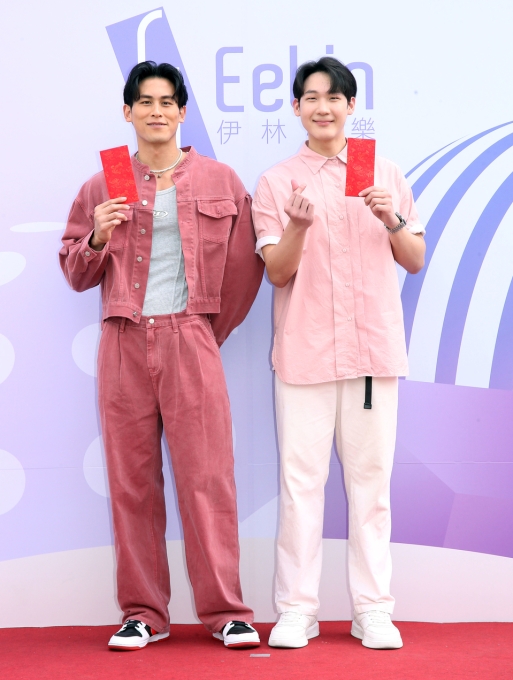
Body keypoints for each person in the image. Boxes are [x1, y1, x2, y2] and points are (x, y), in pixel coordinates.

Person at [60, 61, 263, 651]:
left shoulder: (222, 180)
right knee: (132, 483)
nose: (156, 111)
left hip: (190, 338)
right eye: (144, 102)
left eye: (167, 102)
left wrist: (201, 331)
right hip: (122, 339)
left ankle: (226, 612)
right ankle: (143, 613)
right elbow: (75, 272)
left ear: (182, 112)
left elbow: (244, 271)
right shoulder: (103, 182)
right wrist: (97, 237)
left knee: (208, 479)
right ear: (128, 112)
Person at [252, 57, 425, 650]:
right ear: (295, 107)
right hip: (305, 355)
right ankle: (296, 610)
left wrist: (391, 217)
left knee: (372, 486)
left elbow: (414, 259)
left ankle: (372, 609)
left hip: (372, 353)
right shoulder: (278, 182)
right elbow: (277, 272)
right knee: (301, 485)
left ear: (352, 106)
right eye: (311, 97)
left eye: (334, 97)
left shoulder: (384, 172)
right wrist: (298, 227)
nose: (322, 107)